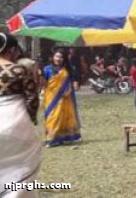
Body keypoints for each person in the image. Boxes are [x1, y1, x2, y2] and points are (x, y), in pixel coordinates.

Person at [0, 32, 43, 195]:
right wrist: (32, 119)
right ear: (11, 50)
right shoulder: (19, 69)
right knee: (22, 167)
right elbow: (32, 98)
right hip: (15, 122)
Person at [41, 49, 81, 146]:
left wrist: (74, 85)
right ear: (53, 57)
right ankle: (51, 137)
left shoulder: (67, 69)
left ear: (64, 59)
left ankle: (60, 138)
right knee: (52, 117)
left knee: (62, 116)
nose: (58, 59)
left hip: (65, 97)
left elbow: (73, 80)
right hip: (51, 97)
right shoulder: (47, 69)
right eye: (57, 56)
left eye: (61, 57)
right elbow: (43, 83)